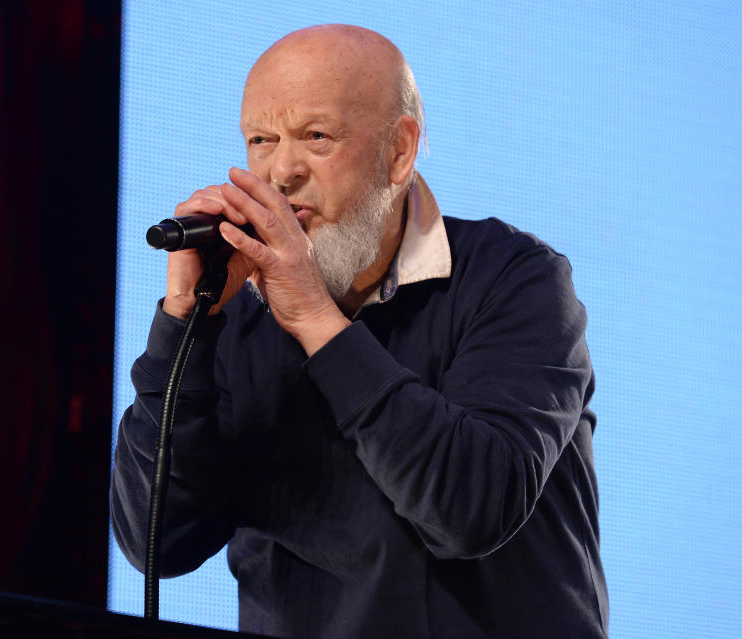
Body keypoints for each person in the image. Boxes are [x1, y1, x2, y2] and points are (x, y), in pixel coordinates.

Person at [111, 24, 609, 639]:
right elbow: (156, 541)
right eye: (260, 141)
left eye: (315, 136)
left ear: (399, 151)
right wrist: (184, 320)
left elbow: (471, 511)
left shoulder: (516, 279)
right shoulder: (236, 316)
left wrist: (317, 319)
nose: (281, 171)